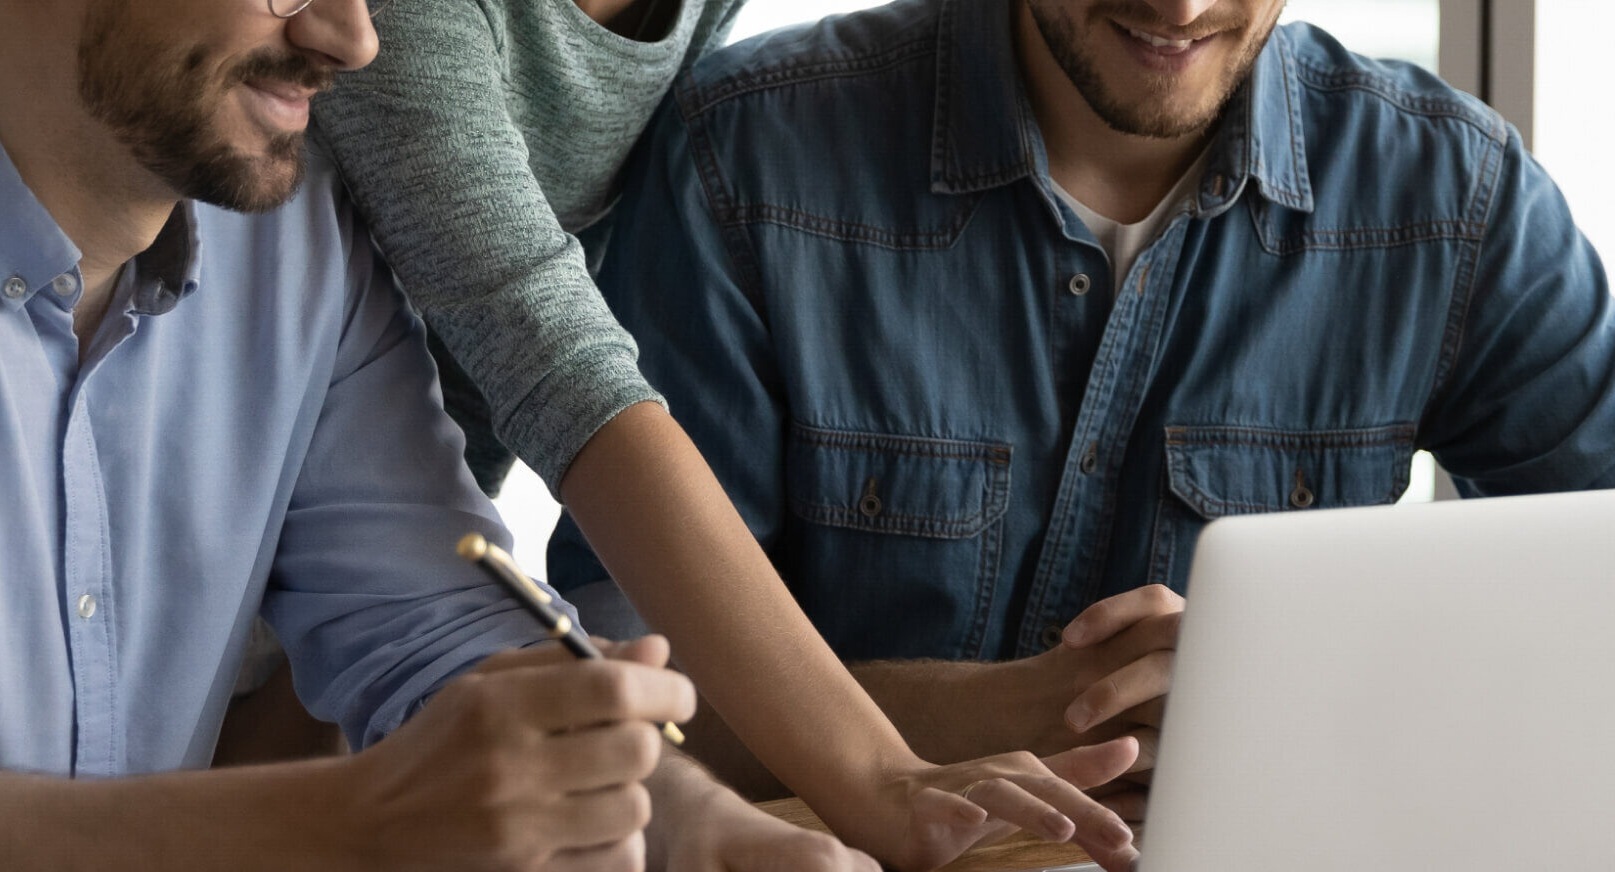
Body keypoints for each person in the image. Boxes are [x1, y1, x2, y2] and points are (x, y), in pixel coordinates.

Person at [0, 0, 1142, 867]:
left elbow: (436, 641)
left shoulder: (289, 247)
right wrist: (355, 829)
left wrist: (716, 837)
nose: (353, 37)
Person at [551, 0, 1615, 805]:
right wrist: (1039, 709)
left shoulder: (1458, 200)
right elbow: (627, 690)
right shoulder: (747, 158)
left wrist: (1333, 696)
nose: (1182, 5)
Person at [285, 1, 1152, 869]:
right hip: (244, 513)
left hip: (377, 568)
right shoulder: (394, 17)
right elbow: (560, 365)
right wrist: (878, 773)